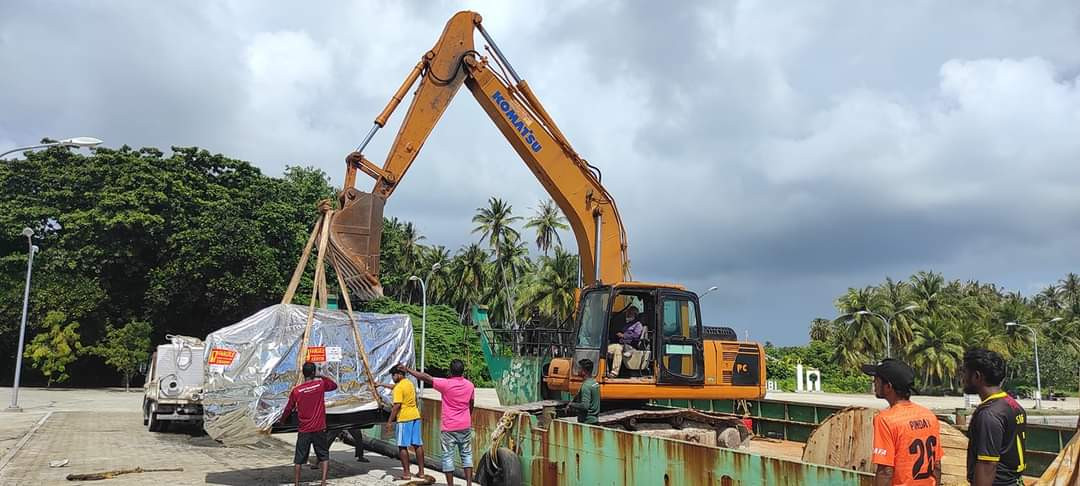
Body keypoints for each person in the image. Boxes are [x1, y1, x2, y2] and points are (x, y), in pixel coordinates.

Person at [861, 358, 942, 485]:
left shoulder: (885, 419)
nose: (874, 383)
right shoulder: (929, 416)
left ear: (888, 387)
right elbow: (936, 465)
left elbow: (885, 471)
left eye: (876, 380)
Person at [401, 359, 476, 486]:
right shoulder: (470, 385)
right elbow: (471, 404)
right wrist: (467, 416)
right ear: (463, 371)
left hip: (448, 427)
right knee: (467, 455)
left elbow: (426, 377)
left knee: (448, 457)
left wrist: (407, 370)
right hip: (465, 425)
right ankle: (469, 484)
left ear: (450, 371)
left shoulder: (446, 384)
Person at [961, 348, 1027, 486]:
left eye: (965, 372)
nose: (962, 378)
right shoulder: (1012, 404)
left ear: (977, 376)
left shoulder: (989, 414)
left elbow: (987, 464)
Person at [278, 362, 338, 486]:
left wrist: (282, 420)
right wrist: (321, 376)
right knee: (324, 455)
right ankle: (323, 482)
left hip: (304, 429)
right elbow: (334, 386)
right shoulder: (320, 385)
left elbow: (289, 408)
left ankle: (296, 483)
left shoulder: (297, 391)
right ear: (313, 373)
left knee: (299, 458)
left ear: (303, 373)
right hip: (319, 427)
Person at [386, 366, 426, 481]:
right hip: (415, 416)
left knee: (402, 446)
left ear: (398, 374)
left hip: (404, 418)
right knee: (417, 444)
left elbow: (396, 406)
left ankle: (406, 473)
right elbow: (395, 387)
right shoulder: (409, 383)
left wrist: (389, 422)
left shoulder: (399, 388)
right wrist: (381, 385)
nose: (392, 378)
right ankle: (421, 472)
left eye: (393, 375)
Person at [606, 306, 644, 378]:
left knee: (617, 349)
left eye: (630, 313)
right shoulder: (627, 323)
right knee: (604, 348)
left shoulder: (638, 325)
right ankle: (604, 370)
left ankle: (614, 372)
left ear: (635, 315)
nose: (628, 315)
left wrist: (624, 335)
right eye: (628, 313)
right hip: (620, 344)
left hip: (629, 346)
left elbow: (636, 336)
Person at [567, 359, 600, 424]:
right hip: (594, 420)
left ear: (584, 371)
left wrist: (571, 405)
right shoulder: (594, 382)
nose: (578, 371)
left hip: (586, 422)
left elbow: (585, 406)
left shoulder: (586, 386)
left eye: (579, 368)